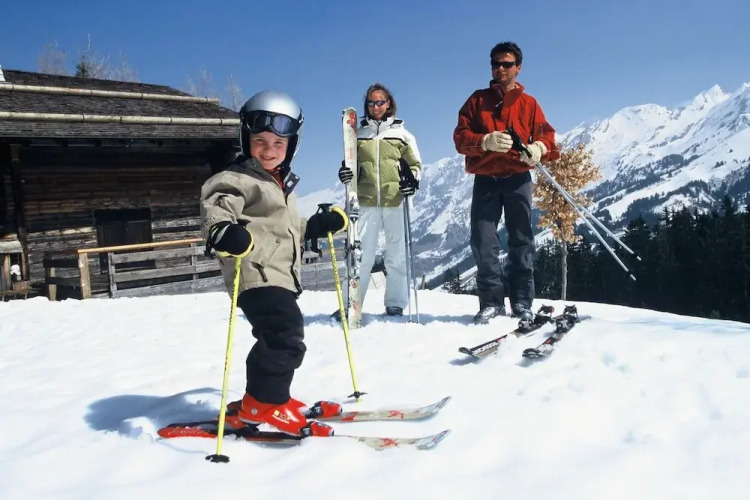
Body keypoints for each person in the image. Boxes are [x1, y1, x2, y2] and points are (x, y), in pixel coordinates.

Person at [200, 90, 347, 436]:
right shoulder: (236, 179)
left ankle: (264, 397)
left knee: (277, 335)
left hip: (279, 275)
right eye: (260, 141)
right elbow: (216, 208)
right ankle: (266, 402)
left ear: (290, 146)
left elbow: (286, 230)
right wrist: (223, 232)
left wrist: (316, 226)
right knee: (285, 334)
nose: (269, 150)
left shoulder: (280, 184)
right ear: (246, 139)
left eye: (278, 143)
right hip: (254, 272)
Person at [453, 41, 558, 325]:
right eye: (496, 64)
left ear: (518, 68)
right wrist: (484, 141)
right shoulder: (477, 101)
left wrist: (538, 148)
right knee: (483, 240)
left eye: (506, 64)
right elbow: (460, 137)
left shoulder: (529, 104)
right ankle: (491, 303)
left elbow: (548, 137)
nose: (500, 68)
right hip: (486, 180)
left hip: (517, 179)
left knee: (521, 239)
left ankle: (522, 301)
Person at [337, 82, 423, 317]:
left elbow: (415, 165)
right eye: (371, 103)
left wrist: (412, 181)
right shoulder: (358, 135)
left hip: (396, 200)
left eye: (380, 102)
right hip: (365, 200)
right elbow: (350, 164)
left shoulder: (403, 135)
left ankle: (395, 302)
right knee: (360, 255)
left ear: (389, 104)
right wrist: (344, 173)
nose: (375, 107)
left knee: (396, 255)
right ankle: (352, 302)